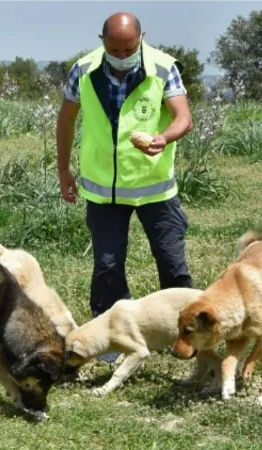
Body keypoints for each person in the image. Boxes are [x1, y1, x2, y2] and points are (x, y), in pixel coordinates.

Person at [55, 12, 194, 362]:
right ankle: (109, 343)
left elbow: (183, 117)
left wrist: (163, 138)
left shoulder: (163, 67)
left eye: (129, 48)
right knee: (107, 267)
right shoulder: (83, 70)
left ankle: (190, 335)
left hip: (156, 191)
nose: (121, 55)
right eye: (114, 48)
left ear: (141, 38)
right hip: (103, 192)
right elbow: (66, 119)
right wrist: (63, 170)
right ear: (101, 40)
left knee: (173, 265)